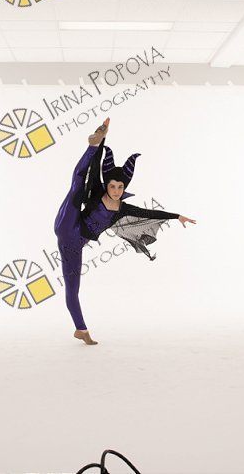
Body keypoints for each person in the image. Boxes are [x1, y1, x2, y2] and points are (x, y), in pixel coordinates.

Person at [53, 117, 196, 345]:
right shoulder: (99, 192)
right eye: (112, 186)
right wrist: (100, 142)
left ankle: (81, 329)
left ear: (124, 188)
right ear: (107, 185)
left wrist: (176, 216)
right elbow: (93, 169)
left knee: (73, 290)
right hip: (68, 222)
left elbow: (149, 213)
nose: (116, 190)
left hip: (74, 244)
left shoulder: (122, 209)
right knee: (77, 185)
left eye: (120, 187)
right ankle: (91, 144)